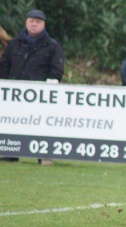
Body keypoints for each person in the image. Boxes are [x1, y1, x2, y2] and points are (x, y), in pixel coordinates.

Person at [0, 9, 64, 166]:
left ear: (44, 25)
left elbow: (56, 70)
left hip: (40, 97)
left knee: (40, 124)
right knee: (12, 123)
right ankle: (10, 153)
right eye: (31, 21)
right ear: (26, 23)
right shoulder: (14, 44)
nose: (34, 24)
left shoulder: (52, 46)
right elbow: (4, 66)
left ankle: (43, 155)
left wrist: (48, 89)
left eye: (38, 21)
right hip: (14, 95)